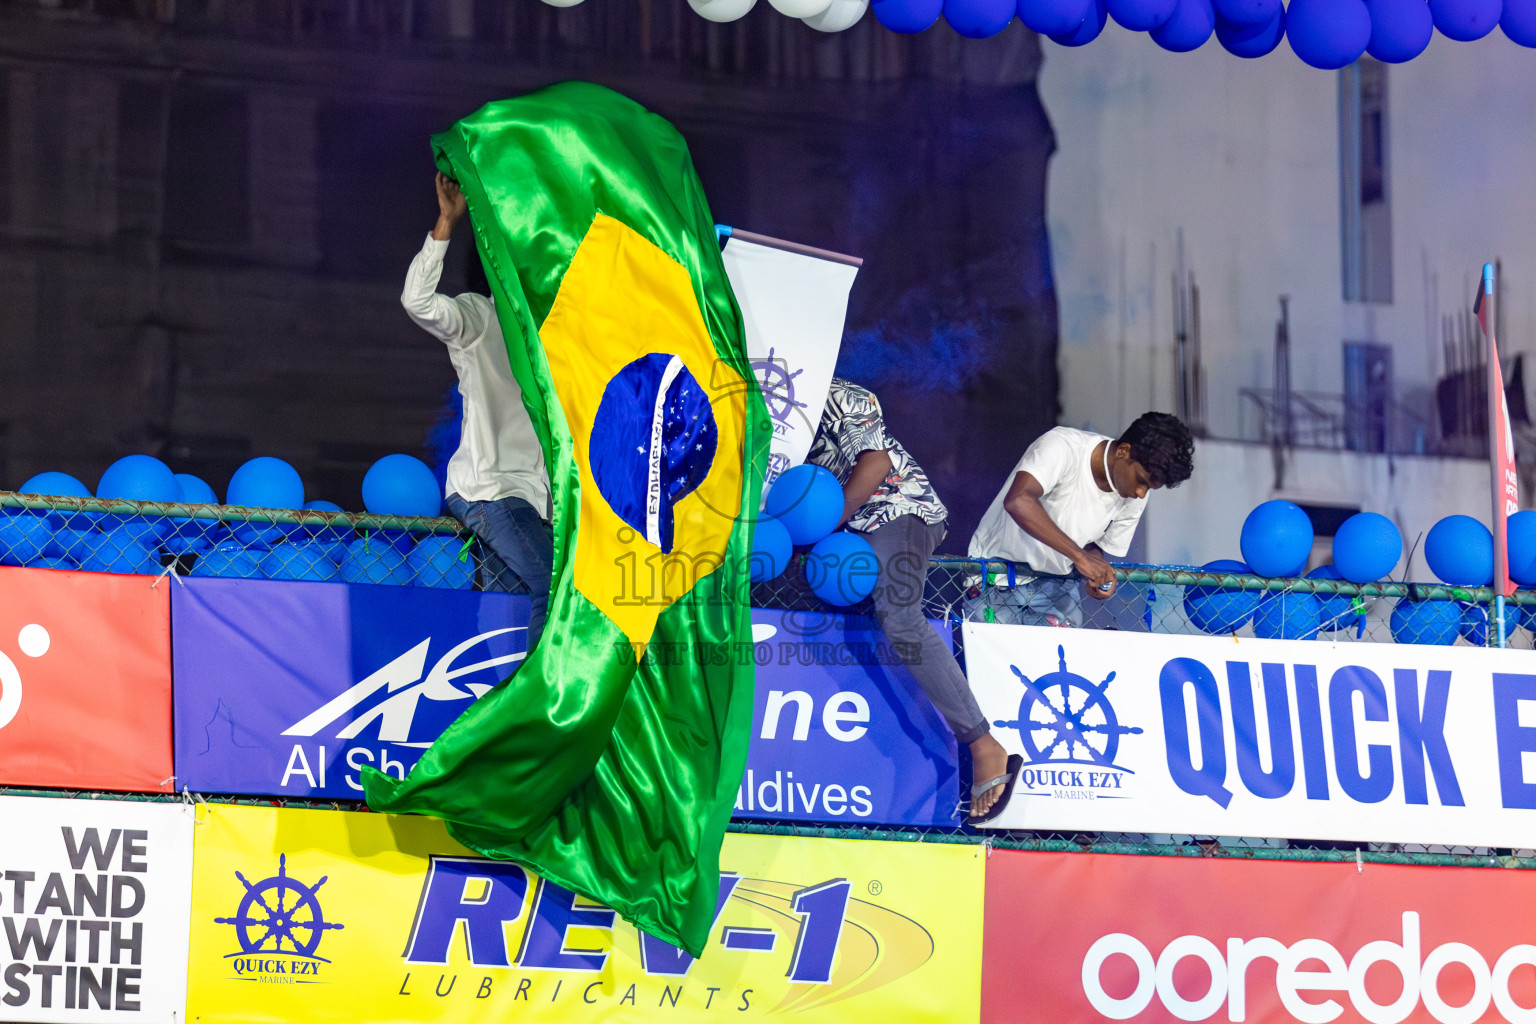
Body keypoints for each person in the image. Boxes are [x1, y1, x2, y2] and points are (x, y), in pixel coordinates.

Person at [805, 377, 1019, 824]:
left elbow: (877, 462)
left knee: (900, 618)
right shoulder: (759, 406)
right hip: (834, 538)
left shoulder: (839, 392)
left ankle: (984, 745)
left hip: (894, 508)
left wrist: (826, 522)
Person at [402, 173, 553, 650]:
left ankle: (505, 707)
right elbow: (417, 302)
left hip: (535, 504)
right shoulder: (480, 318)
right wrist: (447, 222)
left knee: (510, 619)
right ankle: (546, 713)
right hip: (492, 494)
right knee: (556, 590)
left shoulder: (554, 344)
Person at [967, 412, 1195, 626]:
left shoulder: (1134, 495)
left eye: (1150, 488)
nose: (1141, 493)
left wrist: (1098, 567)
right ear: (1123, 451)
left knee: (1053, 668)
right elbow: (1019, 501)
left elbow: (1091, 546)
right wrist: (1079, 557)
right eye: (1141, 481)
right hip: (996, 580)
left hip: (1058, 589)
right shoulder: (1062, 446)